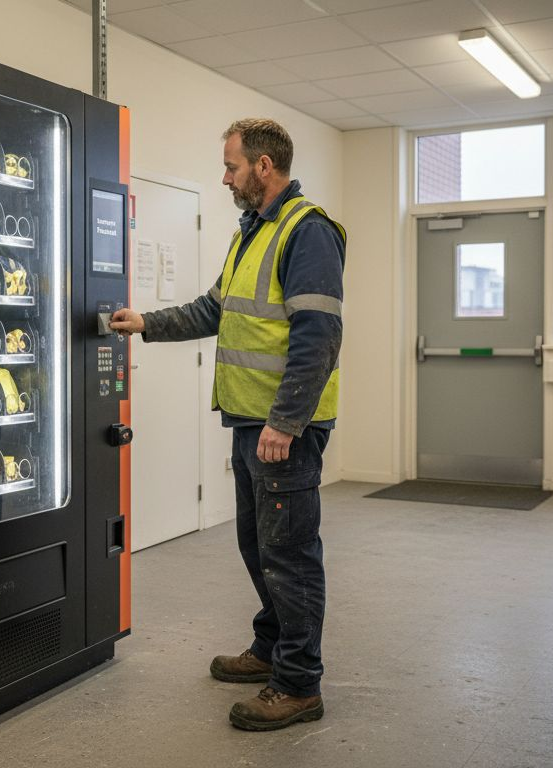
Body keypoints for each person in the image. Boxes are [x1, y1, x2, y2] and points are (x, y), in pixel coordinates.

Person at [109, 118, 345, 732]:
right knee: (258, 545)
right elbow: (216, 308)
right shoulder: (251, 235)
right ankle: (271, 647)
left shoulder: (307, 231)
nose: (225, 177)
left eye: (232, 165)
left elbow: (319, 336)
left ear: (264, 166)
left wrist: (286, 422)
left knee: (289, 554)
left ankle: (298, 683)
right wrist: (146, 324)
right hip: (250, 422)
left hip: (282, 429)